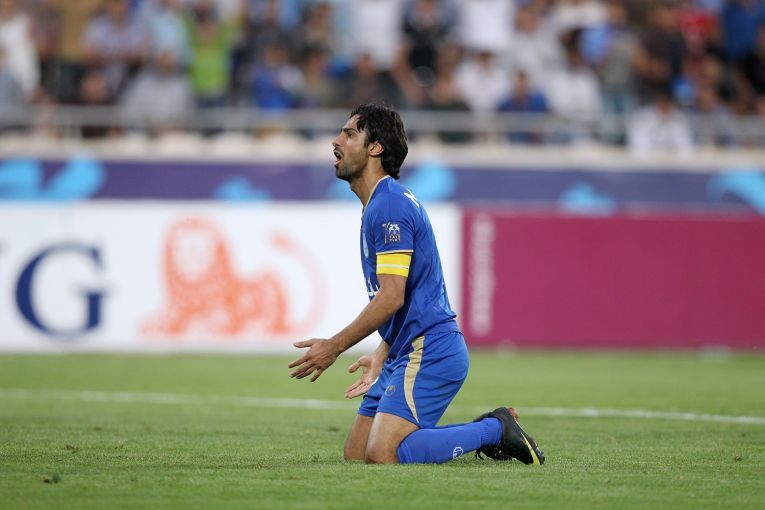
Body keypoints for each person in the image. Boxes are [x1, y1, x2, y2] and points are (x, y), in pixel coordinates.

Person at [288, 102, 545, 466]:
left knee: (383, 454)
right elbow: (406, 295)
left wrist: (334, 346)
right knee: (357, 455)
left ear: (375, 147)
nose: (336, 141)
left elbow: (392, 297)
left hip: (430, 349)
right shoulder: (380, 204)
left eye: (349, 134)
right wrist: (383, 352)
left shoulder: (389, 206)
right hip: (404, 351)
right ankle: (478, 429)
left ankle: (494, 429)